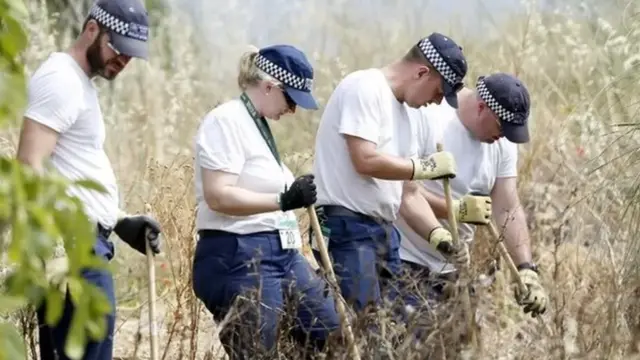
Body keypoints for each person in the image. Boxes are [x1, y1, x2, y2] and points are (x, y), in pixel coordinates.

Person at [15, 0, 163, 359]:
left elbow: (70, 169)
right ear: (93, 29)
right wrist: (54, 252)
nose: (123, 61)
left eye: (131, 55)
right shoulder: (61, 79)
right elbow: (29, 164)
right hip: (71, 245)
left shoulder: (79, 83)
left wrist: (120, 220)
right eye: (119, 48)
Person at [191, 44, 340, 359]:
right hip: (239, 255)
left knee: (327, 329)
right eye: (291, 100)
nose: (293, 110)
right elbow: (218, 195)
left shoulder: (257, 126)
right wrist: (284, 199)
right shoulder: (226, 121)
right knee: (257, 352)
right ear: (270, 87)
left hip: (282, 255)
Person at [310, 32, 476, 315]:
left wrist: (440, 237)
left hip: (385, 231)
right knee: (363, 324)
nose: (436, 103)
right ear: (422, 72)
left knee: (393, 326)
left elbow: (408, 195)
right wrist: (423, 167)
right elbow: (363, 158)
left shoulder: (410, 115)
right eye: (438, 92)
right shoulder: (364, 87)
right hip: (347, 228)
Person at [395, 72, 548, 317]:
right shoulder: (430, 115)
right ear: (481, 107)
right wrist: (456, 210)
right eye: (502, 127)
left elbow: (507, 207)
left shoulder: (502, 143)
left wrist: (525, 267)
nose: (504, 137)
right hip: (405, 257)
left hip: (453, 266)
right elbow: (403, 190)